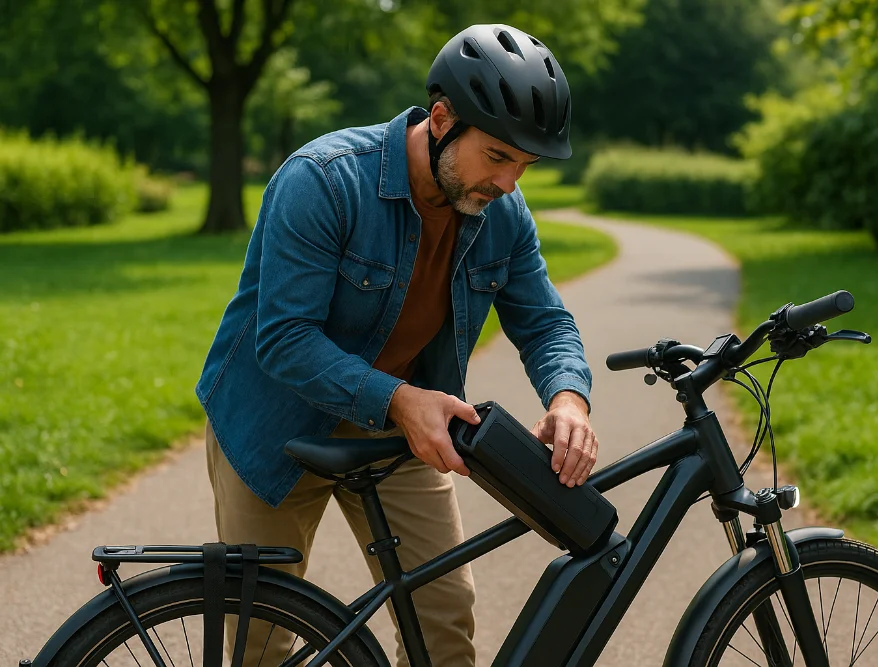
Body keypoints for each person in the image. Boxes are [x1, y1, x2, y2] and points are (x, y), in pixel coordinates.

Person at [196, 23, 599, 667]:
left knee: (444, 622)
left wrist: (569, 397)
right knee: (261, 641)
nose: (511, 184)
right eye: (498, 156)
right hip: (275, 423)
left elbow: (544, 320)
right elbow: (284, 338)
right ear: (441, 118)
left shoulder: (502, 214)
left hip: (401, 430)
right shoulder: (322, 181)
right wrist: (400, 399)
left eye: (527, 164)